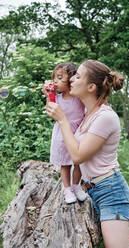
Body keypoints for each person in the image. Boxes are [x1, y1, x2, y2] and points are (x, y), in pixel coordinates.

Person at [46, 60, 129, 248]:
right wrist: (51, 94)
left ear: (91, 87)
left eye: (78, 76)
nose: (71, 79)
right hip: (91, 188)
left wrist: (62, 120)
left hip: (111, 192)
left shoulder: (105, 117)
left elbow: (77, 156)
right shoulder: (87, 111)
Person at [42, 62, 87, 204]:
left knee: (79, 163)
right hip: (62, 136)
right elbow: (50, 110)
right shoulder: (58, 98)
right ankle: (67, 189)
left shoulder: (78, 97)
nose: (55, 81)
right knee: (65, 165)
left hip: (77, 134)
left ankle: (76, 186)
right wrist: (49, 95)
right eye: (54, 78)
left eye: (60, 78)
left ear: (72, 79)